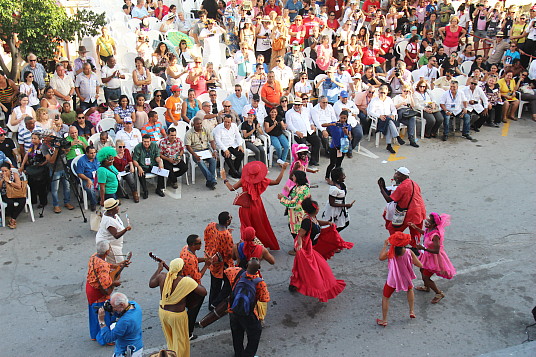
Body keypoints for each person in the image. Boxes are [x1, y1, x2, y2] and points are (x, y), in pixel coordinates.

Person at [221, 161, 289, 251]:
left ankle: (248, 248)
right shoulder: (262, 180)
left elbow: (231, 188)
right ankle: (261, 246)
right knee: (261, 226)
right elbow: (276, 182)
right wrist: (283, 169)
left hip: (246, 207)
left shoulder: (244, 180)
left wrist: (225, 179)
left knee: (246, 228)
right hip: (258, 206)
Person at [289, 197, 346, 301]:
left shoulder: (312, 217)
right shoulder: (307, 221)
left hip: (313, 248)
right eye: (318, 206)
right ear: (315, 209)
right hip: (308, 250)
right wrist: (300, 248)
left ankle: (294, 284)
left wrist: (327, 223)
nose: (319, 208)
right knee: (315, 271)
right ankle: (315, 287)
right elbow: (300, 235)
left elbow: (317, 222)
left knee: (302, 269)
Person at [149, 257, 207, 355]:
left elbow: (151, 283)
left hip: (163, 313)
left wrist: (159, 269)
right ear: (181, 269)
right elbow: (204, 292)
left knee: (170, 340)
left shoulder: (162, 276)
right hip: (177, 316)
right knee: (180, 342)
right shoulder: (186, 281)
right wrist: (192, 280)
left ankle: (170, 354)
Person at [376, 232, 423, 327]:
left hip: (392, 279)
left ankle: (384, 319)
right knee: (410, 290)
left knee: (386, 297)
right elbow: (419, 264)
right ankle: (412, 311)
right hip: (406, 277)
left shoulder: (390, 253)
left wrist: (385, 246)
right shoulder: (409, 252)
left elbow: (381, 257)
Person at [409, 212, 456, 304]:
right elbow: (425, 233)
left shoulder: (435, 236)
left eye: (428, 221)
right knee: (422, 270)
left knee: (426, 277)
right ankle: (426, 287)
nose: (426, 222)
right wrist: (415, 227)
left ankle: (439, 293)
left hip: (434, 259)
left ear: (434, 224)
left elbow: (437, 250)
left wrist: (424, 248)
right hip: (426, 255)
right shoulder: (429, 229)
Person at [228, 258, 270, 357]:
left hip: (233, 308)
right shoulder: (260, 283)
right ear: (259, 269)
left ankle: (238, 353)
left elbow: (227, 271)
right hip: (248, 313)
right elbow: (264, 299)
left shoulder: (236, 272)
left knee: (237, 333)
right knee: (255, 333)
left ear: (246, 265)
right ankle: (248, 354)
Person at [378, 167, 427, 247]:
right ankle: (415, 247)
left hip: (408, 214)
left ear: (403, 176)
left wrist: (381, 188)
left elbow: (389, 199)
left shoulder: (402, 187)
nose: (395, 176)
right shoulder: (414, 183)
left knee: (392, 228)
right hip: (419, 212)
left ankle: (398, 245)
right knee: (415, 231)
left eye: (397, 174)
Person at [85, 241, 123, 341]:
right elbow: (106, 286)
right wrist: (115, 283)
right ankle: (106, 338)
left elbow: (105, 265)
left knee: (94, 313)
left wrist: (117, 266)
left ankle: (94, 335)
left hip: (90, 288)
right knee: (104, 314)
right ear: (107, 252)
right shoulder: (103, 266)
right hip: (98, 293)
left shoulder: (94, 256)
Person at [180, 235, 213, 339]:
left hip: (186, 282)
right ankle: (189, 333)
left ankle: (190, 323)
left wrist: (204, 259)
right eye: (199, 243)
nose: (201, 245)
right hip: (191, 286)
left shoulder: (186, 249)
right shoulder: (189, 260)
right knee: (193, 309)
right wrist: (207, 264)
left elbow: (195, 259)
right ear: (193, 245)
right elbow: (197, 276)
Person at [203, 212, 236, 310]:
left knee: (215, 285)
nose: (231, 219)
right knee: (230, 283)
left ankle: (211, 304)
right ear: (227, 221)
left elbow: (206, 237)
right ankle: (217, 303)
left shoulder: (211, 225)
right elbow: (229, 253)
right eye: (230, 218)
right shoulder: (226, 235)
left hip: (211, 259)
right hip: (223, 263)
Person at [96, 292, 144, 357]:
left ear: (121, 304)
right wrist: (112, 311)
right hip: (137, 345)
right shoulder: (135, 305)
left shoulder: (124, 321)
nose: (114, 309)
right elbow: (123, 312)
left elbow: (108, 338)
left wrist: (101, 321)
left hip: (127, 352)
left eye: (114, 307)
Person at [278, 169, 310, 253]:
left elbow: (294, 203)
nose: (292, 177)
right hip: (296, 213)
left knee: (297, 232)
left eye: (294, 176)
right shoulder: (299, 187)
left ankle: (298, 249)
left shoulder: (301, 189)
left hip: (298, 214)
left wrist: (282, 198)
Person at [41, 132, 74, 214]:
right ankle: (56, 205)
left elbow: (67, 151)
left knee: (67, 186)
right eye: (50, 136)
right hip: (55, 169)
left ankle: (67, 202)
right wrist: (56, 150)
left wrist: (64, 147)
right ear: (46, 138)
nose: (53, 138)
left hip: (64, 166)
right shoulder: (44, 147)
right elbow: (51, 161)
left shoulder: (58, 142)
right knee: (55, 188)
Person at [367, 85, 405, 154]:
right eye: (381, 93)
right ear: (378, 92)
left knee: (388, 122)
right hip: (379, 119)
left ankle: (389, 145)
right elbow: (370, 111)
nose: (382, 94)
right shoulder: (374, 100)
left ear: (387, 92)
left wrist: (393, 114)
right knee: (389, 122)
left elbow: (393, 109)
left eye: (384, 93)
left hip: (388, 117)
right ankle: (397, 137)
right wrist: (379, 116)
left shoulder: (389, 99)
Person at [184, 117, 219, 190]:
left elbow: (212, 141)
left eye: (200, 123)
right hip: (196, 151)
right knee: (200, 161)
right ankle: (212, 180)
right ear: (193, 124)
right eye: (197, 124)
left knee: (213, 159)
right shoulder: (189, 133)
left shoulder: (205, 130)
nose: (199, 125)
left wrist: (214, 151)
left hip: (206, 150)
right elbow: (188, 146)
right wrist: (194, 154)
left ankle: (210, 181)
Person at [286, 98, 321, 166]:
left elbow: (310, 119)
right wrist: (296, 131)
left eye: (299, 105)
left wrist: (312, 125)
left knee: (317, 141)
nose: (297, 106)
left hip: (308, 131)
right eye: (296, 105)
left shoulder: (306, 110)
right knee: (303, 145)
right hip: (298, 133)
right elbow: (289, 124)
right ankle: (303, 162)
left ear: (301, 105)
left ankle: (313, 160)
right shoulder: (289, 113)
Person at [96, 197, 131, 264]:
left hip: (114, 244)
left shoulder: (110, 214)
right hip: (111, 246)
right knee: (117, 264)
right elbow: (116, 235)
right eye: (116, 207)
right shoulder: (109, 221)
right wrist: (126, 229)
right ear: (111, 210)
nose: (118, 208)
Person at [320, 167, 355, 232]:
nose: (344, 177)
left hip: (340, 209)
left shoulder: (341, 185)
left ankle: (334, 235)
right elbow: (331, 203)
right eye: (343, 175)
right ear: (338, 178)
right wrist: (345, 205)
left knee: (345, 223)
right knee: (332, 226)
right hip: (333, 211)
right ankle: (332, 236)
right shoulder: (333, 189)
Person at [20, 132, 49, 209]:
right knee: (32, 185)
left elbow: (47, 158)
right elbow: (27, 155)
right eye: (32, 138)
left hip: (41, 169)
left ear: (39, 139)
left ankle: (43, 202)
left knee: (41, 187)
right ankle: (33, 201)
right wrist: (22, 165)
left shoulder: (43, 146)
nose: (33, 140)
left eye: (35, 138)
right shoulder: (31, 146)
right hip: (32, 167)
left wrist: (43, 164)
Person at [321, 110, 352, 182]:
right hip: (334, 147)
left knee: (339, 164)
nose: (343, 120)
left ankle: (336, 178)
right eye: (342, 118)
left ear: (347, 118)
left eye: (344, 118)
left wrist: (346, 133)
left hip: (343, 147)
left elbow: (350, 137)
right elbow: (323, 125)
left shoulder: (348, 126)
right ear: (339, 117)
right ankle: (327, 177)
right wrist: (332, 125)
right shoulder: (334, 124)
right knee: (332, 163)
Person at [0, 162, 25, 229]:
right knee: (10, 203)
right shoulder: (0, 176)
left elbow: (19, 186)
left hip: (15, 192)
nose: (4, 172)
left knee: (23, 200)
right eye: (2, 171)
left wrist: (9, 181)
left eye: (6, 171)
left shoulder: (14, 175)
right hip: (5, 194)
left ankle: (13, 218)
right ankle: (11, 218)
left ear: (9, 170)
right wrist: (2, 180)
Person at [75, 146, 99, 211]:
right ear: (87, 153)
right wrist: (88, 179)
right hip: (88, 178)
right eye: (91, 153)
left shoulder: (98, 157)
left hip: (98, 177)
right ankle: (93, 203)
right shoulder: (81, 161)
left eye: (94, 152)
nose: (93, 154)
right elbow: (79, 173)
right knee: (90, 189)